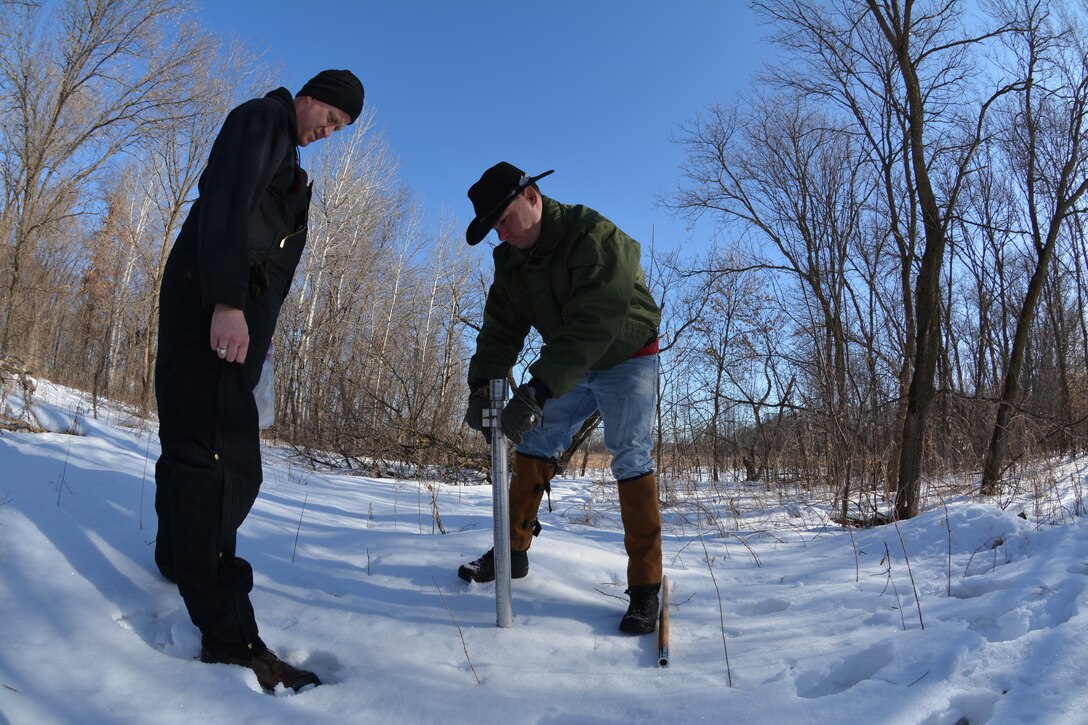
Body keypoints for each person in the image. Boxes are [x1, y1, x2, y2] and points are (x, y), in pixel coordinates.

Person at [153, 69, 364, 691]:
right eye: (328, 118)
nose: (328, 133)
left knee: (203, 452)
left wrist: (261, 340)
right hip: (213, 314)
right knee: (222, 465)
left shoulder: (293, 168)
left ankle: (177, 558)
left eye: (338, 130)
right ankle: (229, 638)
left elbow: (271, 264)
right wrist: (225, 302)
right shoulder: (261, 121)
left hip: (241, 333)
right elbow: (223, 206)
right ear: (308, 97)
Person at [459, 162, 664, 634]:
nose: (502, 234)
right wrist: (481, 386)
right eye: (494, 229)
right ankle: (512, 553)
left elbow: (596, 324)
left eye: (505, 220)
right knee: (535, 441)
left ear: (532, 196)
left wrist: (538, 389)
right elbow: (500, 331)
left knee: (630, 453)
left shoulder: (594, 236)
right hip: (572, 362)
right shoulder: (512, 263)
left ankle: (645, 588)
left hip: (628, 354)